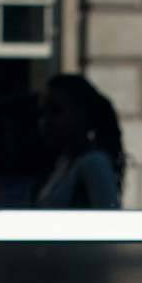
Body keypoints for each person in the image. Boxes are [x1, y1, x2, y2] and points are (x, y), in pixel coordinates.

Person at [33, 74, 125, 207]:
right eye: (42, 112)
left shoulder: (94, 163)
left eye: (55, 111)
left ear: (81, 113)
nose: (45, 121)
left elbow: (108, 220)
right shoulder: (64, 163)